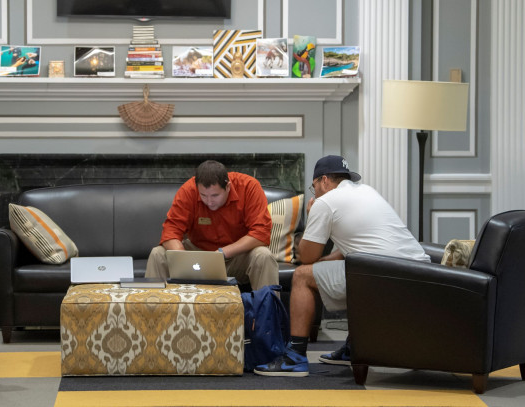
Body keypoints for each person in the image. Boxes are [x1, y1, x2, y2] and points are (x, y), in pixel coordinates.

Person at [254, 155, 430, 377]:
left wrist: (311, 216)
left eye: (314, 186)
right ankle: (352, 348)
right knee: (344, 269)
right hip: (418, 276)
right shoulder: (367, 192)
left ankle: (294, 358)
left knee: (301, 276)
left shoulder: (325, 202)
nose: (314, 192)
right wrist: (325, 262)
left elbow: (306, 257)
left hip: (385, 277)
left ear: (324, 180)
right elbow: (354, 249)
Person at [145, 160, 278, 291]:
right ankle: (152, 310)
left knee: (264, 256)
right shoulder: (188, 189)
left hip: (237, 257)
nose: (209, 202)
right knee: (158, 254)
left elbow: (261, 233)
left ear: (228, 186)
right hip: (198, 255)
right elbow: (171, 230)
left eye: (215, 195)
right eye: (203, 195)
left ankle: (267, 311)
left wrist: (222, 253)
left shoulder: (249, 186)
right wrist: (183, 259)